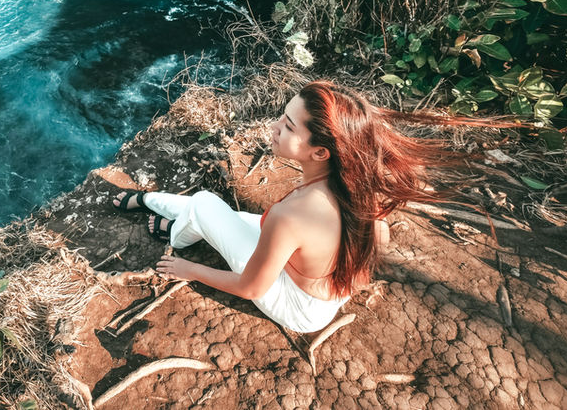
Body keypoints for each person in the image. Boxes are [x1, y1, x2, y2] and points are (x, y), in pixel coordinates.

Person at [113, 80, 480, 333]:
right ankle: (162, 210)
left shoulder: (294, 214)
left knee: (206, 203)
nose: (274, 128)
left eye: (288, 126)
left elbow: (252, 288)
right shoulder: (358, 188)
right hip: (321, 291)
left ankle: (170, 227)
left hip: (297, 307)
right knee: (225, 215)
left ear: (320, 152)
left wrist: (188, 269)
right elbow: (368, 252)